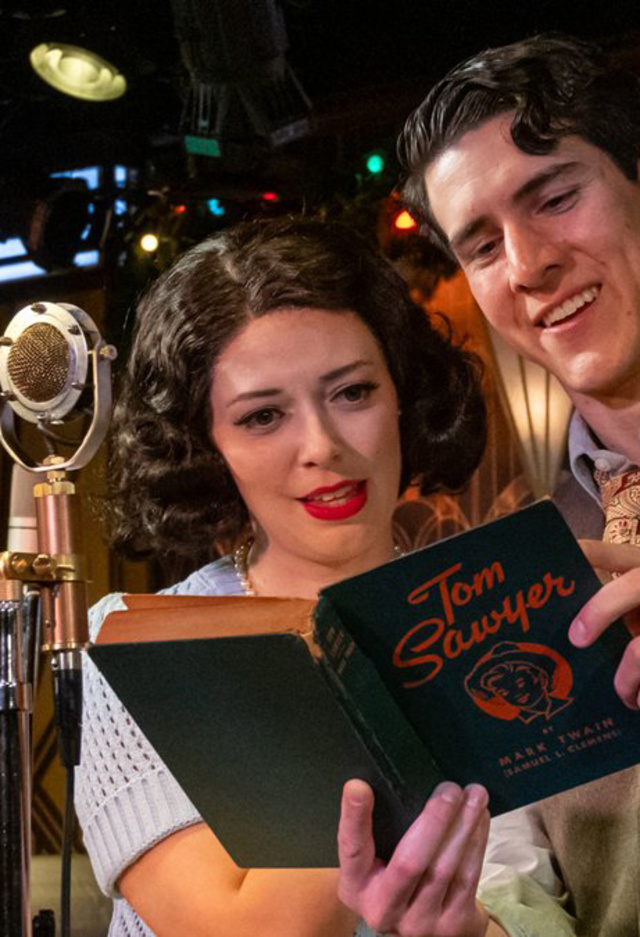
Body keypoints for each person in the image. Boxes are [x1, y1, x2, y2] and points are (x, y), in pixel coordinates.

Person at [76, 216, 512, 937]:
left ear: (402, 393)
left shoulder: (488, 612)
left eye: (352, 393)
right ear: (206, 446)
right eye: (263, 415)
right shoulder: (147, 648)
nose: (322, 446)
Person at [397, 31, 640, 937]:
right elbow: (535, 899)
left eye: (556, 198)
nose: (528, 263)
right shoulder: (523, 562)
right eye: (482, 244)